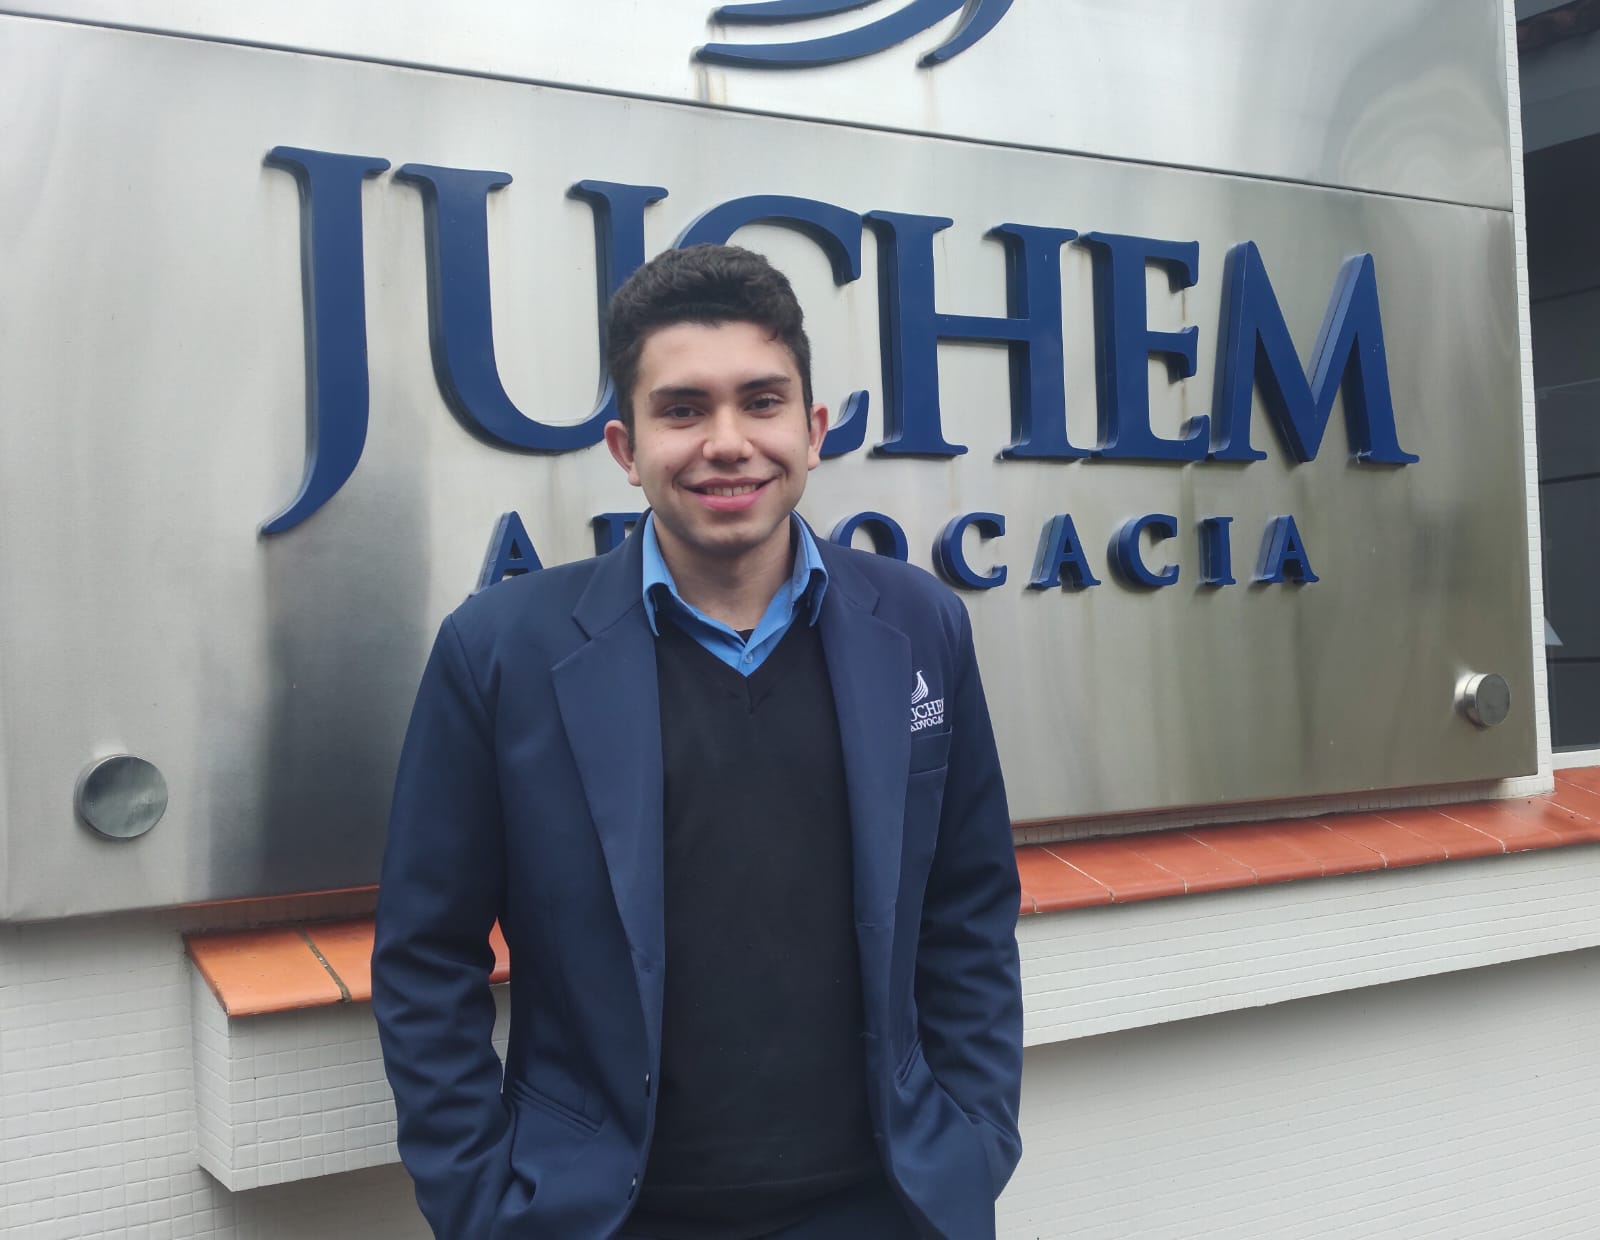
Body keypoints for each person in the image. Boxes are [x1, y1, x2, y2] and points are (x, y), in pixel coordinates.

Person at [372, 244, 1023, 1240]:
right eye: (682, 410)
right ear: (625, 447)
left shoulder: (919, 625)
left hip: (886, 1207)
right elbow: (426, 956)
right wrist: (482, 1206)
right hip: (611, 1216)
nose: (727, 442)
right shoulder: (500, 653)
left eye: (761, 402)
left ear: (810, 431)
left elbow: (967, 906)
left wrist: (974, 1138)